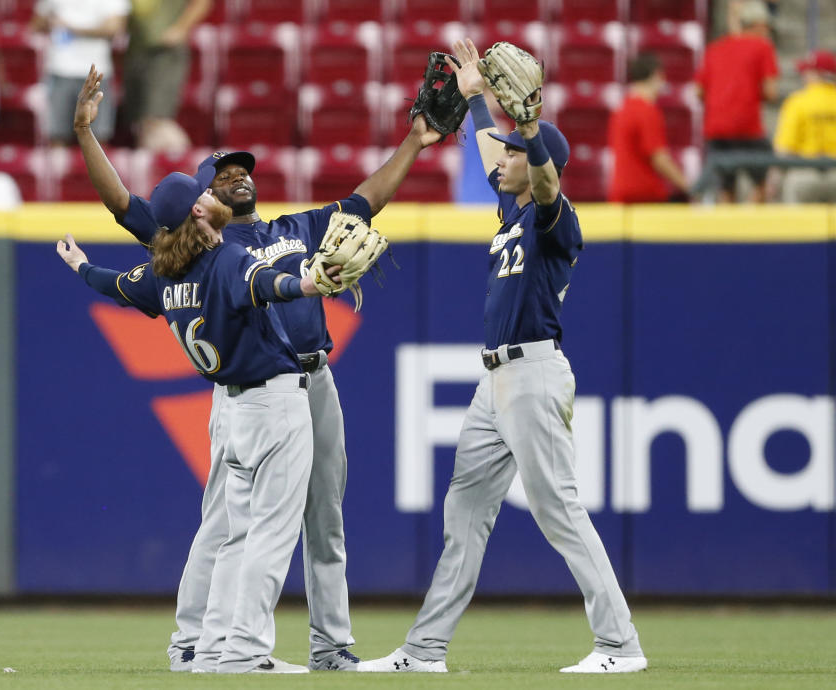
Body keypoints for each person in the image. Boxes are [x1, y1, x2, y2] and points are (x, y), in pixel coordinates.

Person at [72, 65, 441, 672]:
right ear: (202, 199)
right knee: (226, 526)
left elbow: (365, 200)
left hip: (312, 381)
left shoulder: (295, 227)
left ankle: (330, 647)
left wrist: (414, 143)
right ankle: (196, 643)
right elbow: (122, 204)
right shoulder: (194, 246)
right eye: (223, 174)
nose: (238, 175)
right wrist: (87, 134)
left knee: (325, 521)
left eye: (244, 168)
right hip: (248, 390)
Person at [358, 38, 647, 675]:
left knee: (559, 510)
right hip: (496, 382)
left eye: (513, 153)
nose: (502, 158)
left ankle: (620, 645)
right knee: (464, 510)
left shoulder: (552, 214)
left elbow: (542, 175)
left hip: (534, 373)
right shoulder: (510, 203)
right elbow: (506, 153)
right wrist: (482, 96)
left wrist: (531, 128)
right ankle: (425, 650)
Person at [57, 168, 343, 673]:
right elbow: (267, 283)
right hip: (272, 404)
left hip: (231, 412)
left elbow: (114, 285)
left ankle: (211, 649)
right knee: (271, 536)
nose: (213, 194)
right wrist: (307, 282)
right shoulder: (225, 258)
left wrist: (80, 266)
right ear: (198, 211)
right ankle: (246, 651)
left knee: (235, 535)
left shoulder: (163, 272)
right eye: (206, 193)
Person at [695, 0, 779, 202]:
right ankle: (751, 227)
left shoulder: (715, 49)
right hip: (747, 127)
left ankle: (728, 231)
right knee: (765, 180)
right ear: (759, 24)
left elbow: (698, 91)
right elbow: (771, 91)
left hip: (716, 129)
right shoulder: (762, 46)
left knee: (725, 187)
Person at [31, 0, 129, 145]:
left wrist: (69, 27)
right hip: (59, 69)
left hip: (97, 73)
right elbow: (36, 23)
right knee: (57, 136)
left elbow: (115, 27)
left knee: (98, 137)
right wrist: (51, 22)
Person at [124, 0, 213, 152]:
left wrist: (181, 29)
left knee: (157, 121)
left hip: (165, 52)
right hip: (137, 50)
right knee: (142, 124)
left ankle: (185, 165)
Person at [608, 53, 689, 203]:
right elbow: (659, 158)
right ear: (658, 75)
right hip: (645, 195)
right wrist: (689, 186)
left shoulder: (621, 109)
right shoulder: (647, 111)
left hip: (621, 194)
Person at [773, 49, 836, 203]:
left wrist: (774, 182)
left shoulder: (797, 101)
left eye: (807, 72)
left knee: (796, 225)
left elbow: (784, 150)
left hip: (804, 173)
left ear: (818, 74)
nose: (803, 76)